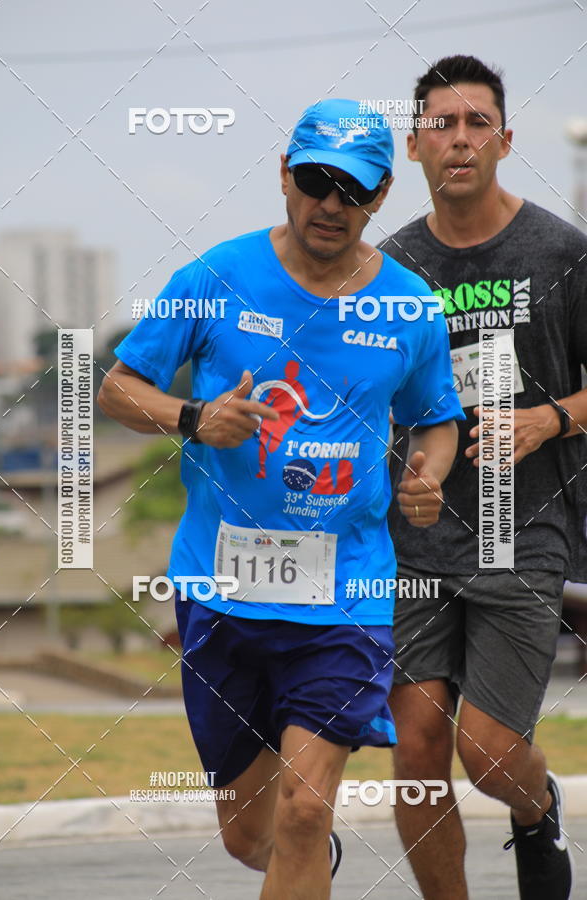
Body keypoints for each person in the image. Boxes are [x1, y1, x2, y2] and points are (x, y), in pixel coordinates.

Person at [98, 98, 464, 899]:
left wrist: (429, 474)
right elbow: (117, 388)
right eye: (316, 180)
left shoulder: (409, 306)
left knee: (303, 809)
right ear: (284, 176)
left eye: (353, 188)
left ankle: (306, 845)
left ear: (381, 196)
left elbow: (438, 418)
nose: (331, 203)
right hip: (221, 592)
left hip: (347, 592)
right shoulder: (214, 278)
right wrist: (195, 418)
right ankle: (305, 865)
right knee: (250, 836)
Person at [379, 55, 587, 900]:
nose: (459, 139)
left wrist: (551, 419)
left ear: (504, 140)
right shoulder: (387, 269)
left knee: (490, 752)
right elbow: (366, 404)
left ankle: (536, 808)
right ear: (414, 145)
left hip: (521, 529)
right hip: (415, 540)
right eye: (441, 124)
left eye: (476, 124)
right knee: (417, 754)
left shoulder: (562, 253)